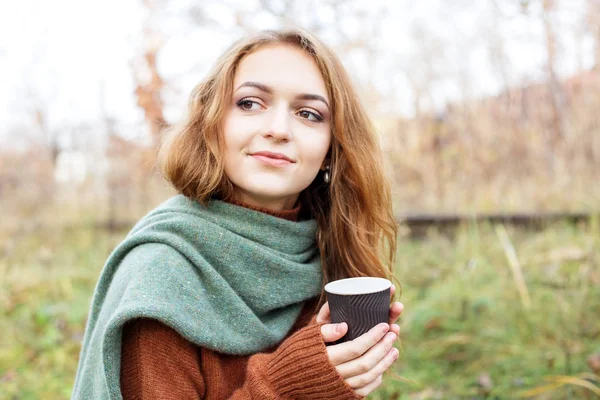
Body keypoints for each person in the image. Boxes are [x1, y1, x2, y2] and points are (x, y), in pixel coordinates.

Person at [71, 27, 404, 400]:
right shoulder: (161, 277)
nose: (278, 130)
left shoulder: (321, 256)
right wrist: (289, 386)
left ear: (331, 147)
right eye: (249, 103)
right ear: (212, 123)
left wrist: (351, 370)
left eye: (309, 114)